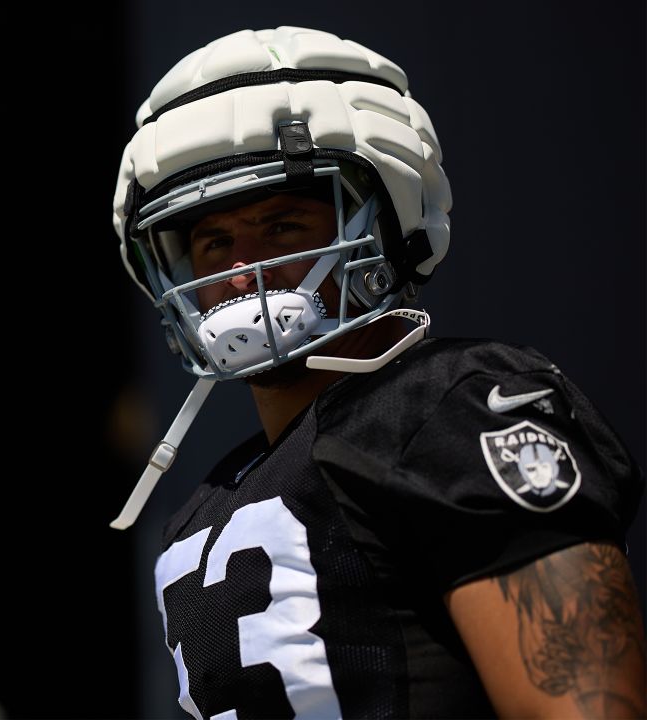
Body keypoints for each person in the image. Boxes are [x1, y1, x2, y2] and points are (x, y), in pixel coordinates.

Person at [108, 26, 645, 718]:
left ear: (382, 230)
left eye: (282, 227)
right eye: (212, 242)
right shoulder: (200, 510)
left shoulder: (449, 406)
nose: (239, 269)